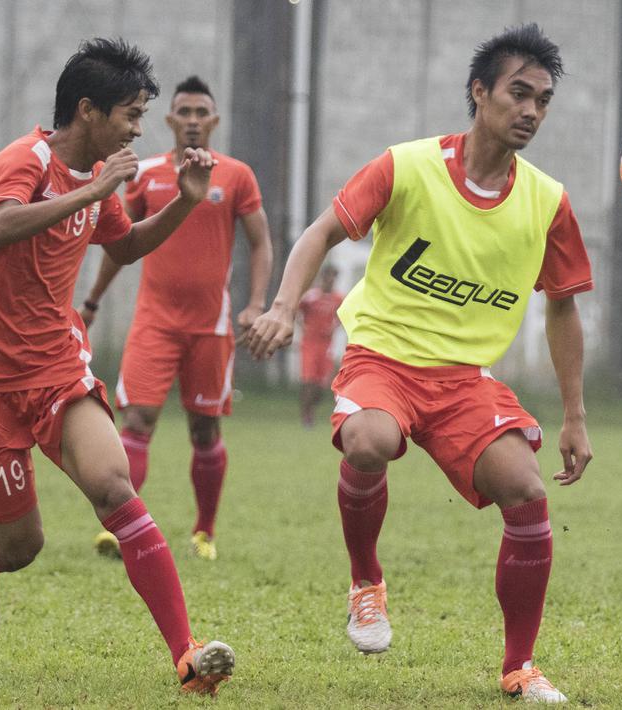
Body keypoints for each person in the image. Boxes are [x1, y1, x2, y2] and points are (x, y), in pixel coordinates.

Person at [243, 24, 592, 704]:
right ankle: (365, 581)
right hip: (383, 357)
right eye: (517, 94)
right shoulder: (406, 166)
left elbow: (562, 308)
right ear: (478, 92)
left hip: (464, 379)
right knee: (370, 440)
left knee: (526, 492)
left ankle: (518, 668)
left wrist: (575, 415)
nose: (529, 111)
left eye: (542, 101)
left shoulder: (547, 201)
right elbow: (321, 232)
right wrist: (284, 307)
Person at [0, 39, 234, 695]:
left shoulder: (100, 177)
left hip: (57, 371)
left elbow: (123, 244)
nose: (137, 128)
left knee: (116, 491)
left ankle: (186, 655)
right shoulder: (26, 160)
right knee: (22, 546)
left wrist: (184, 200)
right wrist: (94, 189)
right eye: (130, 113)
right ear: (89, 110)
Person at [83, 76, 272, 562]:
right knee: (137, 419)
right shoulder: (144, 174)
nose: (191, 121)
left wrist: (256, 304)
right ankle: (122, 527)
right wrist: (93, 300)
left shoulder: (236, 175)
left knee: (204, 430)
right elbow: (118, 242)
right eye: (183, 112)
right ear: (169, 120)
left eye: (200, 113)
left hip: (211, 326)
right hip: (154, 322)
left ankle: (204, 532)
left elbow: (260, 242)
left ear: (213, 121)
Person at [297, 263, 345, 427]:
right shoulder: (311, 296)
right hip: (309, 344)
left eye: (333, 277)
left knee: (323, 384)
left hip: (326, 346)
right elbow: (296, 310)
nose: (330, 281)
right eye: (328, 277)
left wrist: (334, 326)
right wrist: (301, 325)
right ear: (322, 277)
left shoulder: (338, 298)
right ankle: (306, 416)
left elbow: (343, 315)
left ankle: (311, 407)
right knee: (309, 380)